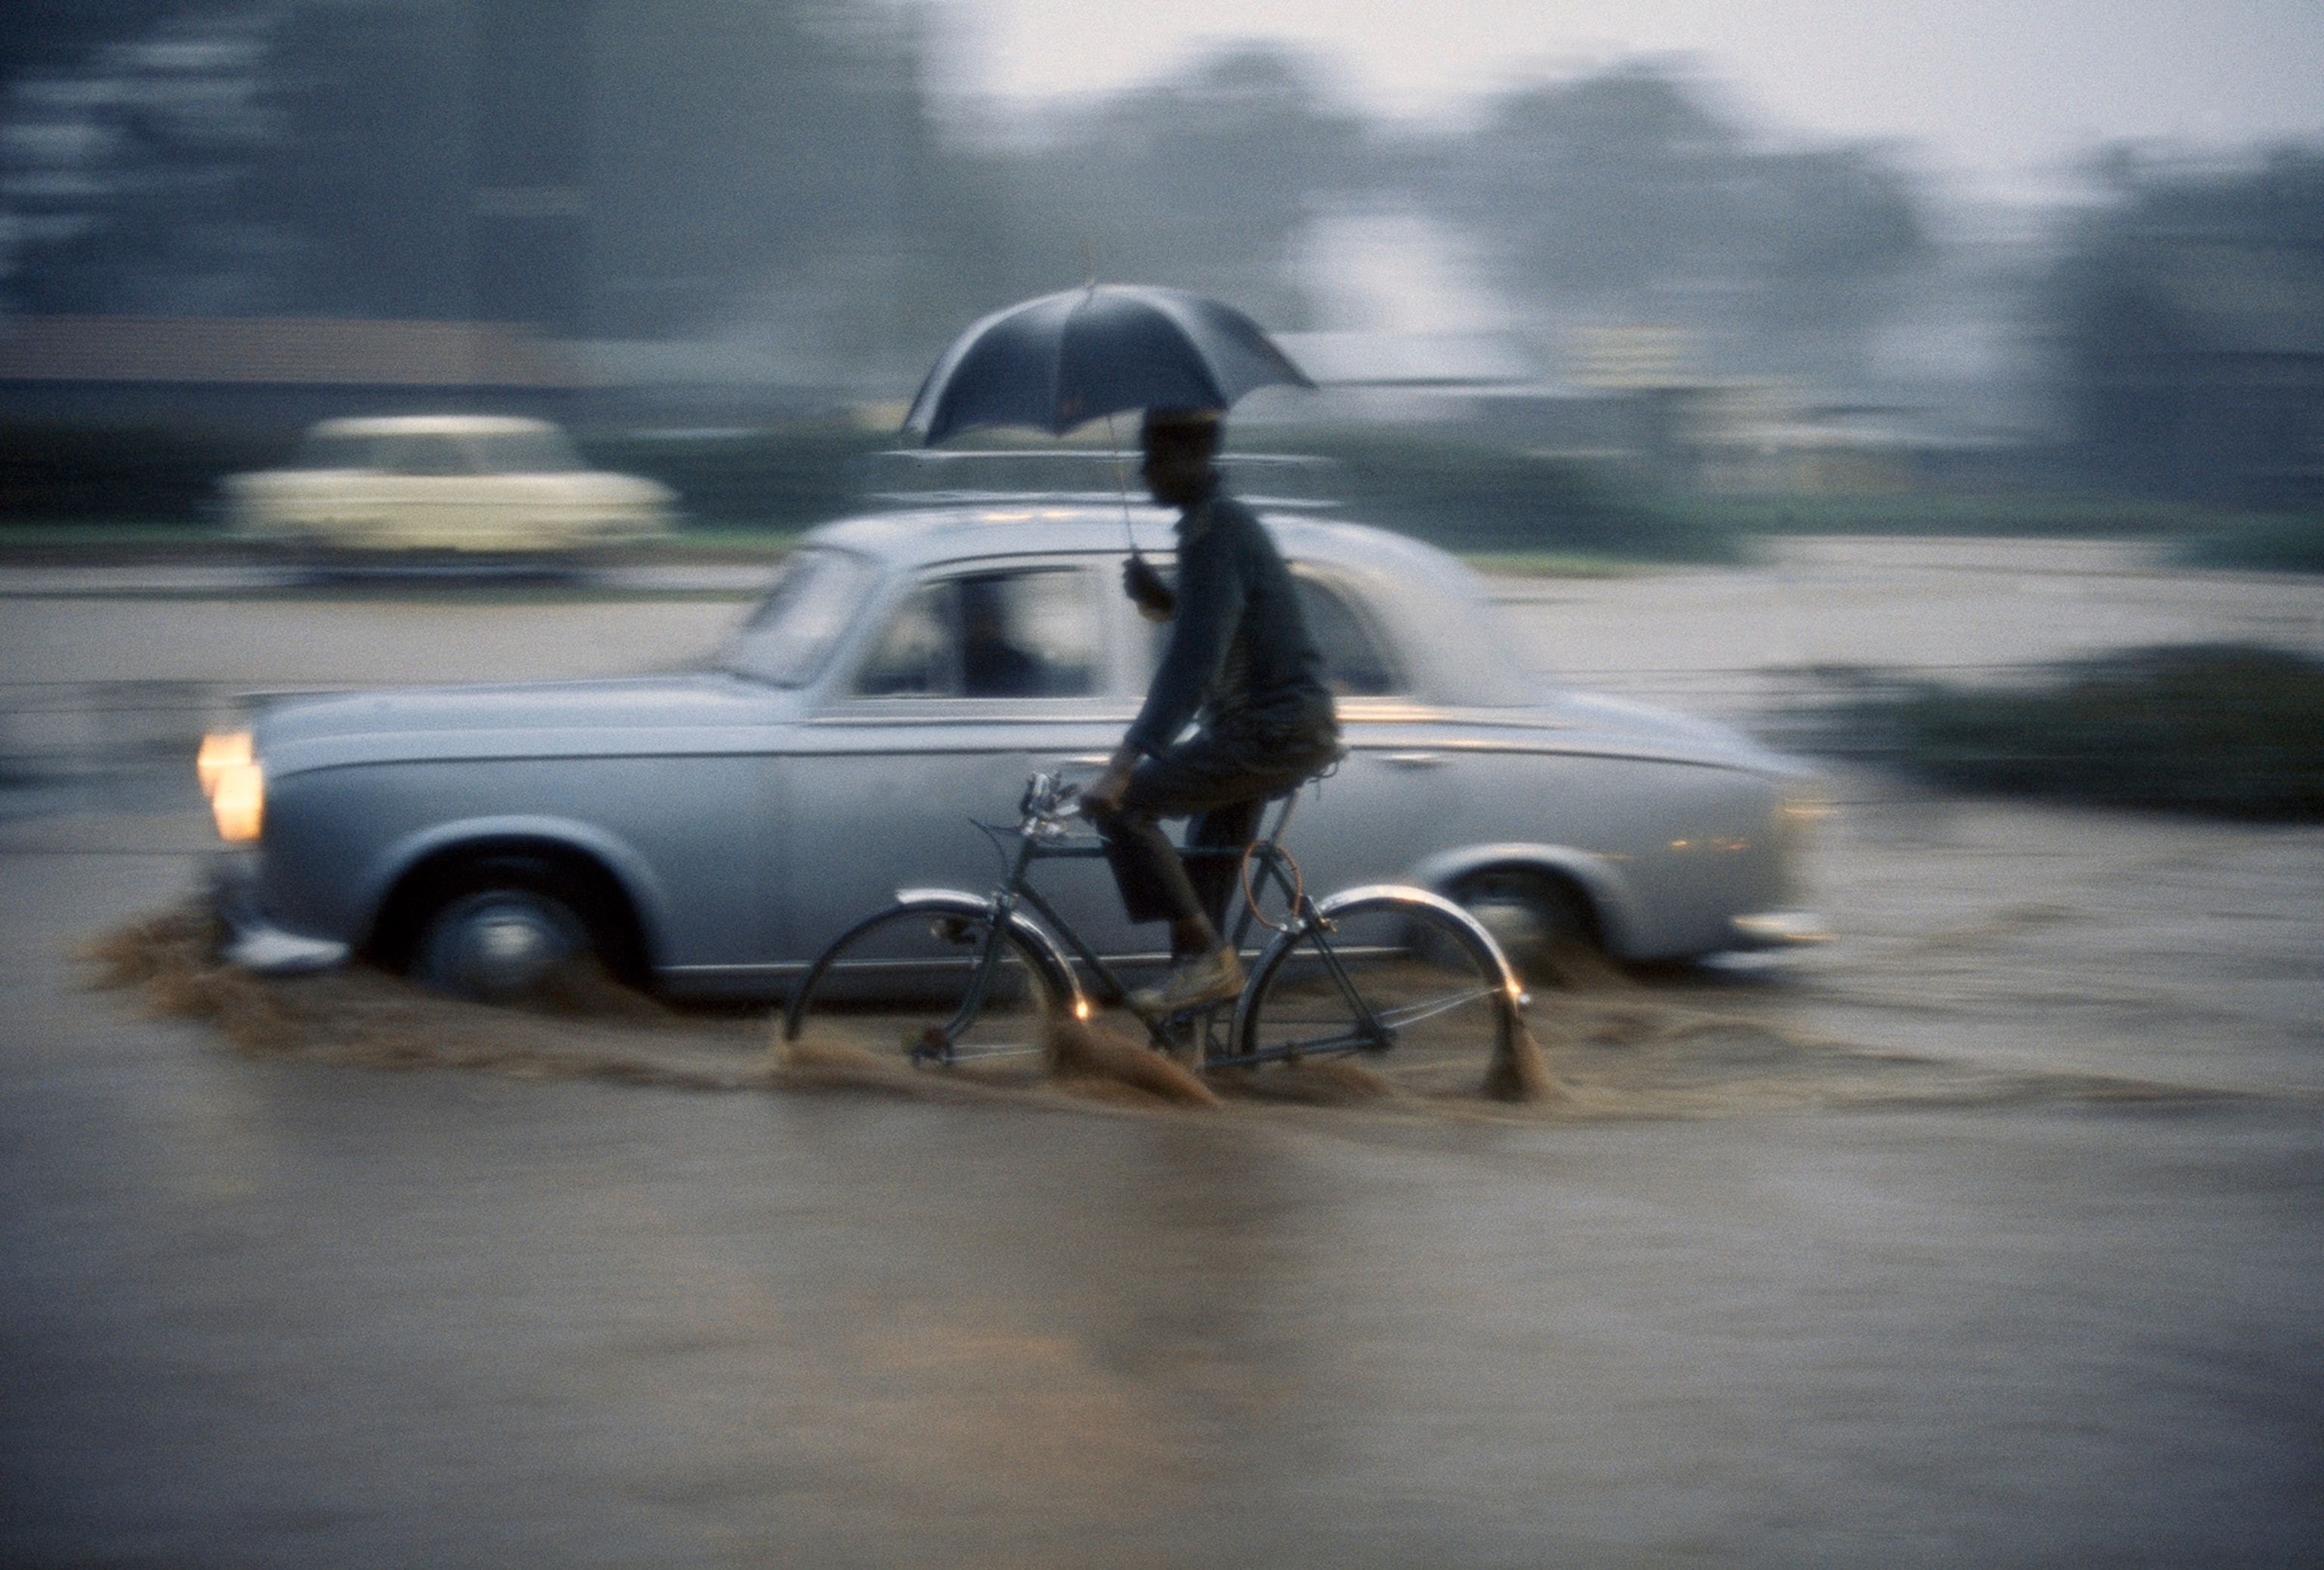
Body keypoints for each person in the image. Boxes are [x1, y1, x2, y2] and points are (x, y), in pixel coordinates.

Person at [1079, 407, 1342, 1018]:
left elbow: (1193, 668)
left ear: (1194, 457)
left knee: (1130, 809)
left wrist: (1122, 765)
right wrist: (1165, 599)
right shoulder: (1211, 525)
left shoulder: (1216, 530)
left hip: (1272, 730)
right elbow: (1220, 623)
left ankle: (1209, 960)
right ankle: (1191, 1041)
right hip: (1258, 728)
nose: (1144, 471)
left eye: (1155, 457)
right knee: (1200, 874)